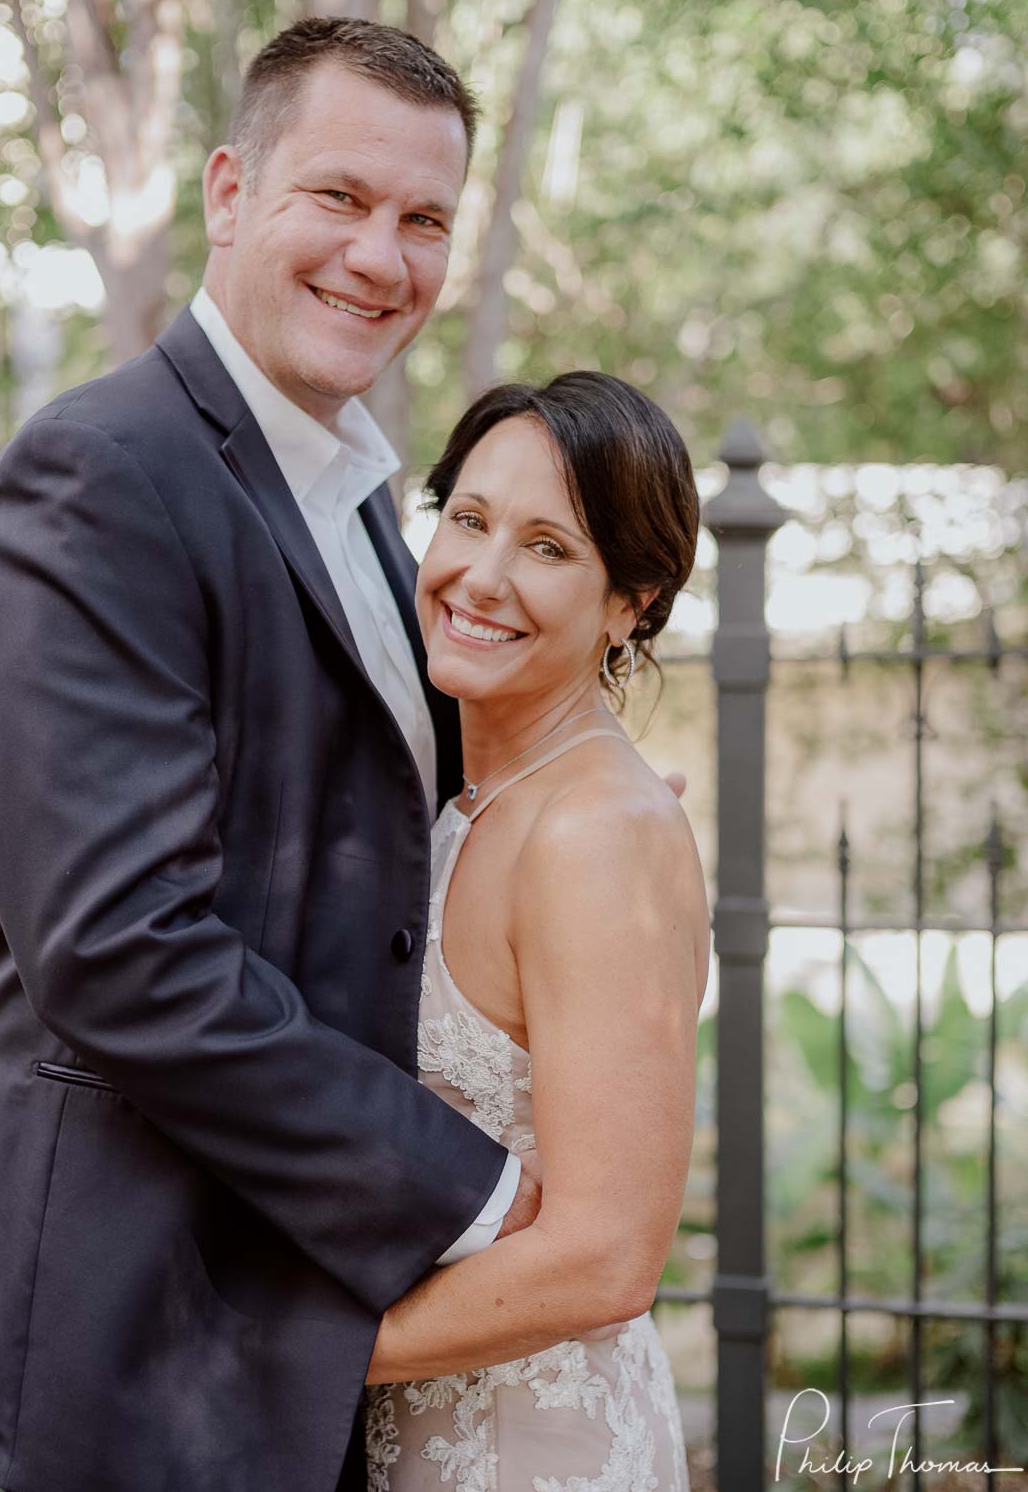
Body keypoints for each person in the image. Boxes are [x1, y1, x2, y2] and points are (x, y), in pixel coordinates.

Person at [0, 18, 542, 1492]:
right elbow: (121, 950)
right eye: (341, 199)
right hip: (149, 1322)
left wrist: (558, 818)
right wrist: (475, 1187)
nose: (384, 257)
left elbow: (363, 821)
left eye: (424, 220)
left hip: (297, 1298)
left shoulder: (358, 493)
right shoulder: (100, 476)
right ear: (230, 193)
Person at [363, 374, 710, 1490]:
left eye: (548, 547)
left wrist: (301, 1351)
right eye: (467, 519)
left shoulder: (595, 832)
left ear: (631, 601)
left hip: (532, 1451)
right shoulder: (464, 794)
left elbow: (606, 1258)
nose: (480, 575)